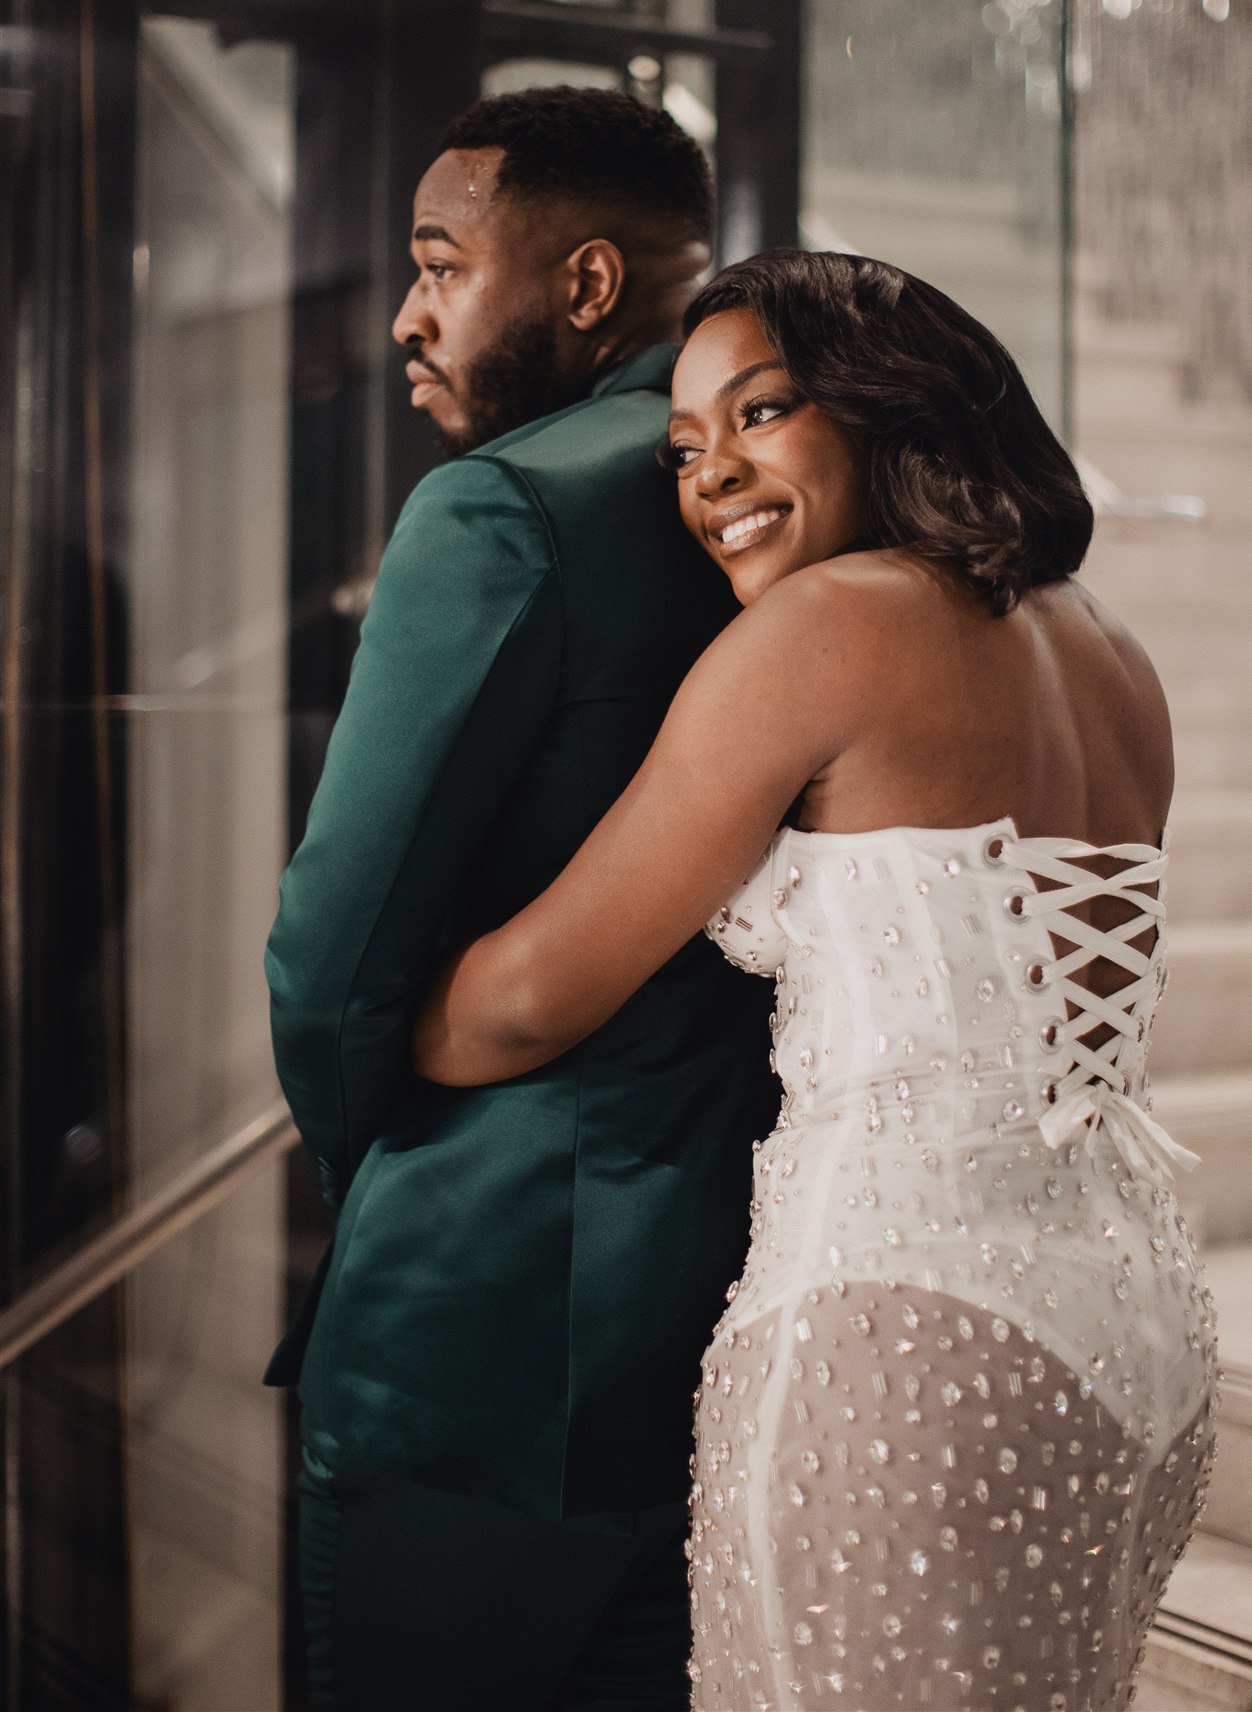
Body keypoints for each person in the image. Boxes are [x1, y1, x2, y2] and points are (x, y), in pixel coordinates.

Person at [414, 249, 1220, 1710]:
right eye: (681, 445)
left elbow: (524, 1001)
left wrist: (365, 1008)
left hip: (900, 1332)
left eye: (760, 412)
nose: (707, 472)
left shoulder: (827, 626)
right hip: (1137, 1332)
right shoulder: (1108, 651)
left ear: (889, 410)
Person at [266, 87, 779, 1711]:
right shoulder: (829, 488)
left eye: (439, 263)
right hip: (747, 1291)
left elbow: (332, 959)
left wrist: (386, 1152)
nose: (409, 314)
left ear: (583, 286)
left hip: (478, 1323)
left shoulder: (502, 509)